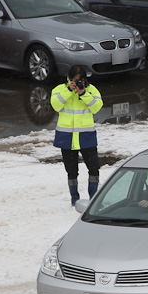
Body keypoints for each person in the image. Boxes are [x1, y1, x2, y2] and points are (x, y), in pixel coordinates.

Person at [51, 64, 103, 206]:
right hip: (67, 138)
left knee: (93, 168)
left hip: (86, 137)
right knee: (71, 171)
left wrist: (83, 94)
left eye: (81, 80)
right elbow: (56, 105)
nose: (78, 83)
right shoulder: (60, 90)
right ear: (69, 79)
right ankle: (74, 199)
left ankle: (93, 199)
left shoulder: (91, 90)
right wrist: (69, 91)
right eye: (75, 80)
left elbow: (96, 107)